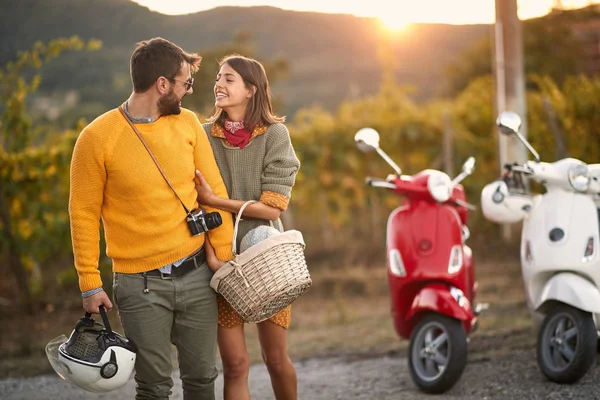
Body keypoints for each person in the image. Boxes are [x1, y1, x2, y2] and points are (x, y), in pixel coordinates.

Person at [68, 37, 234, 400]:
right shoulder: (96, 138)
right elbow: (82, 213)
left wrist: (222, 259)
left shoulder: (188, 124)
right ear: (162, 84)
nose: (188, 91)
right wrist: (89, 282)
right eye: (185, 83)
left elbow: (214, 193)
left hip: (197, 277)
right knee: (154, 387)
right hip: (139, 285)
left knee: (203, 379)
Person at [194, 54, 301, 400]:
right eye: (218, 78)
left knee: (275, 359)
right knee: (236, 366)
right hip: (224, 262)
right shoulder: (204, 136)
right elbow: (194, 202)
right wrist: (212, 258)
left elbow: (272, 209)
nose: (218, 85)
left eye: (229, 79)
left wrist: (216, 200)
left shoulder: (275, 135)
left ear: (250, 90)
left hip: (268, 260)